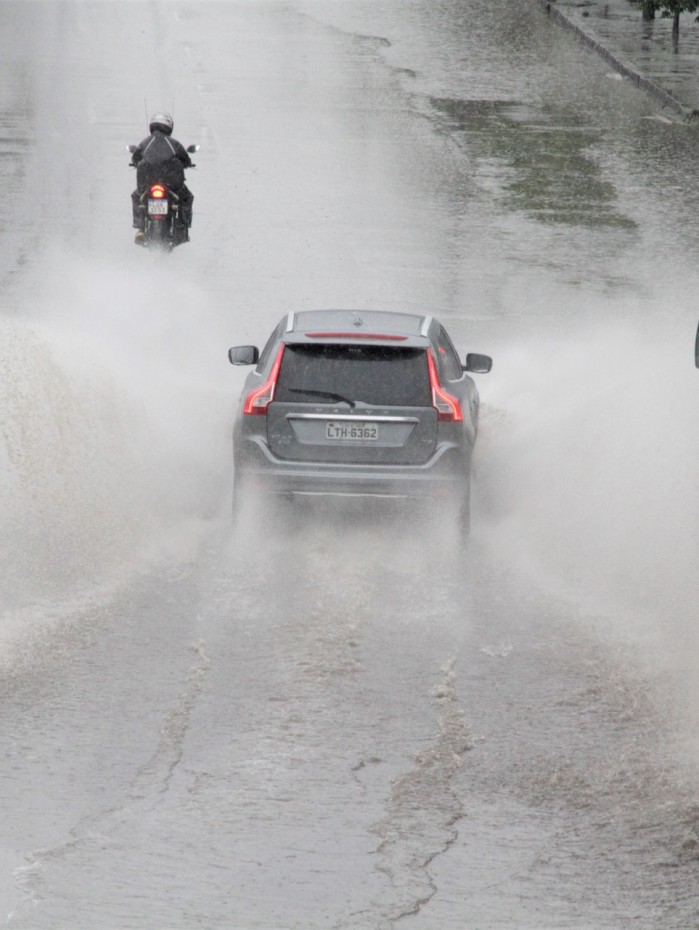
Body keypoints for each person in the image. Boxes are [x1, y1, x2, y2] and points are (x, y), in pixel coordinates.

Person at [130, 113, 194, 240]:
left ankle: (140, 227)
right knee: (187, 198)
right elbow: (185, 159)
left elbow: (135, 157)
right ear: (169, 127)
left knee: (137, 196)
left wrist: (137, 163)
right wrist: (187, 164)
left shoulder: (145, 143)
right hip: (172, 184)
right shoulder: (174, 143)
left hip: (147, 183)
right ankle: (181, 226)